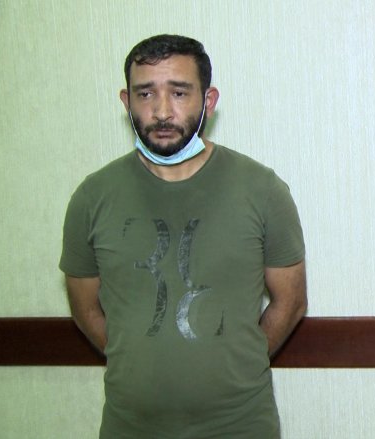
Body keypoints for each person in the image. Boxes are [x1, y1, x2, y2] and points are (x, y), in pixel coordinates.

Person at [60, 34, 307, 438]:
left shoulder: (263, 191)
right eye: (145, 93)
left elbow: (291, 302)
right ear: (126, 102)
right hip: (130, 427)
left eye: (179, 92)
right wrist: (135, 361)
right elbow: (85, 309)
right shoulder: (92, 198)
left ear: (208, 101)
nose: (161, 111)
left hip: (240, 426)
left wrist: (238, 366)